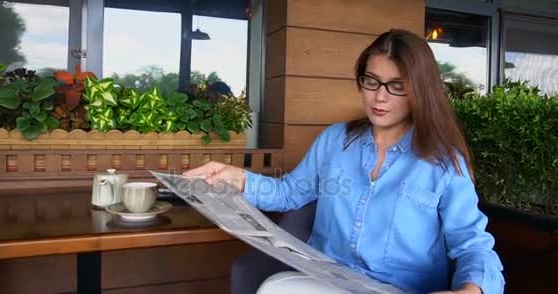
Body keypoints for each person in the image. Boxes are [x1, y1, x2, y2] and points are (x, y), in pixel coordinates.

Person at [184, 29, 505, 294]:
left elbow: (473, 245)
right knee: (274, 288)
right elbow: (290, 193)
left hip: (400, 289)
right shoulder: (335, 140)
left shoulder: (445, 162)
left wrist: (471, 291)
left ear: (420, 90)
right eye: (371, 81)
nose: (380, 97)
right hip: (329, 279)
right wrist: (237, 178)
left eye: (397, 86)